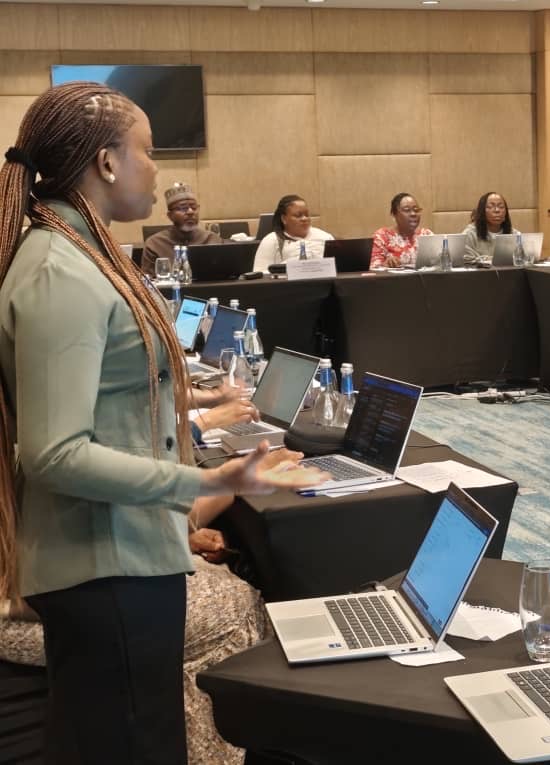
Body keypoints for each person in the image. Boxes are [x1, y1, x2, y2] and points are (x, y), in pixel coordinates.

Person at [0, 83, 325, 764]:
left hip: (118, 559)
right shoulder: (60, 270)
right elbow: (55, 452)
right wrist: (208, 476)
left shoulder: (82, 252)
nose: (159, 169)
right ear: (107, 163)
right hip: (103, 570)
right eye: (147, 151)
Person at [0, 449, 301, 764]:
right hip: (30, 615)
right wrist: (230, 484)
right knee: (234, 607)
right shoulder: (54, 446)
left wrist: (179, 538)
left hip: (43, 598)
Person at [141, 181, 224, 277]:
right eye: (183, 208)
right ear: (170, 215)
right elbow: (147, 283)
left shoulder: (213, 239)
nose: (190, 212)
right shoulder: (154, 244)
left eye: (194, 207)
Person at [253, 194, 334, 272]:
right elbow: (260, 273)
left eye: (307, 215)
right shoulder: (271, 240)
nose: (304, 218)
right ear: (284, 219)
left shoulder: (325, 237)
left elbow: (338, 269)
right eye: (298, 215)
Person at [370, 192, 434, 268]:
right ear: (394, 214)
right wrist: (385, 264)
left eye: (416, 210)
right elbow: (373, 268)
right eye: (407, 210)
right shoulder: (382, 237)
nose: (413, 214)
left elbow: (442, 262)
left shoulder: (426, 234)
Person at [463, 191, 519, 265]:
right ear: (482, 212)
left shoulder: (515, 234)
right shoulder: (469, 234)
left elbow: (522, 258)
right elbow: (466, 260)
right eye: (490, 207)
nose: (497, 210)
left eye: (501, 207)